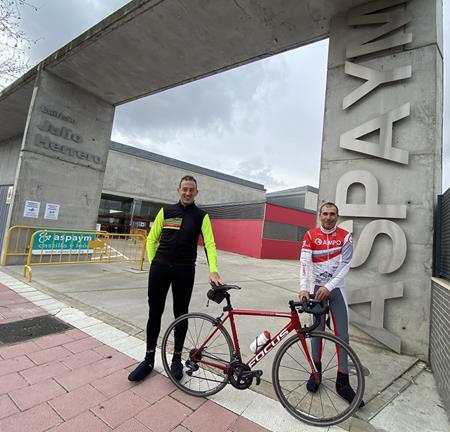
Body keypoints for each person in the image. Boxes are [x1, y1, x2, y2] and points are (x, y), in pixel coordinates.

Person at [128, 175, 224, 382]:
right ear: (178, 190)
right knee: (155, 312)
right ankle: (148, 359)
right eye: (184, 189)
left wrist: (213, 269)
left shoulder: (201, 216)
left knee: (180, 314)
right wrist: (154, 263)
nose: (188, 193)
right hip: (160, 269)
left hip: (184, 270)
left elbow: (210, 244)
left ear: (196, 193)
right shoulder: (166, 211)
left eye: (192, 190)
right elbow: (152, 239)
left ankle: (176, 360)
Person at [298, 202, 364, 407]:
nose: (328, 217)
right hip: (316, 289)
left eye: (332, 214)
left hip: (336, 290)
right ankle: (315, 373)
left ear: (337, 216)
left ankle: (342, 381)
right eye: (325, 214)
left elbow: (346, 265)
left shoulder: (345, 236)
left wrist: (329, 286)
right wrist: (303, 287)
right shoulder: (310, 235)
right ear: (319, 215)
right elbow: (304, 262)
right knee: (315, 332)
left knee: (342, 335)